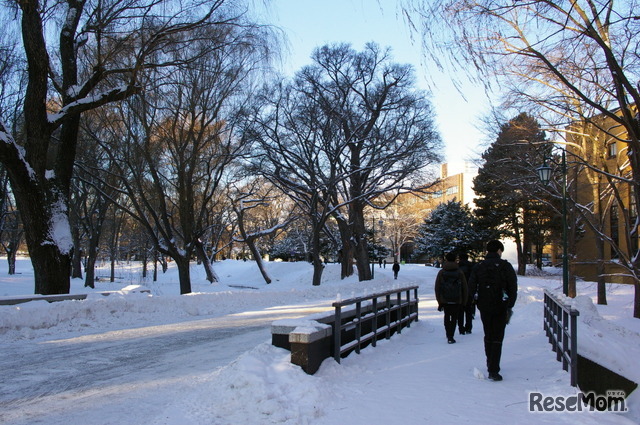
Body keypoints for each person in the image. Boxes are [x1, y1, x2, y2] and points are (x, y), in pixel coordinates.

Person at [468, 240, 518, 381]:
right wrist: (510, 304)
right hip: (501, 305)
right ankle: (494, 368)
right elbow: (513, 286)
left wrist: (475, 301)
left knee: (488, 333)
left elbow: (471, 286)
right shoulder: (505, 266)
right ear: (498, 250)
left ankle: (490, 362)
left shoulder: (479, 266)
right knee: (498, 336)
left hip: (484, 305)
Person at [434, 252, 468, 344]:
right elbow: (464, 288)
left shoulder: (442, 272)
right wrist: (464, 301)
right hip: (457, 299)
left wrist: (439, 301)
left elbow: (437, 287)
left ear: (446, 259)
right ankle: (451, 336)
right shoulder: (459, 272)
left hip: (445, 299)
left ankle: (448, 334)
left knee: (447, 316)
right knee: (454, 318)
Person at [457, 253, 475, 335]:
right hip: (469, 290)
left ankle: (461, 328)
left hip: (460, 291)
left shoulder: (457, 266)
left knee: (460, 310)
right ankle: (469, 327)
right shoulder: (471, 266)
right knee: (469, 310)